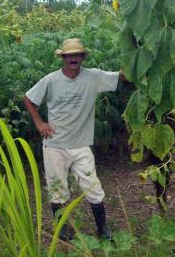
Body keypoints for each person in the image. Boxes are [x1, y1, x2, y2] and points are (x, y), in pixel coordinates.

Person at [23, 38, 123, 241]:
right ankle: (63, 229)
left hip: (80, 146)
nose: (73, 59)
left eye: (77, 55)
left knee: (93, 188)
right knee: (57, 190)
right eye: (70, 56)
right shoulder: (51, 80)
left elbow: (122, 77)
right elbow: (29, 98)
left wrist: (139, 56)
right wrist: (40, 123)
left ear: (82, 58)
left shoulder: (93, 77)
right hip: (54, 145)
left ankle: (102, 229)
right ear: (64, 58)